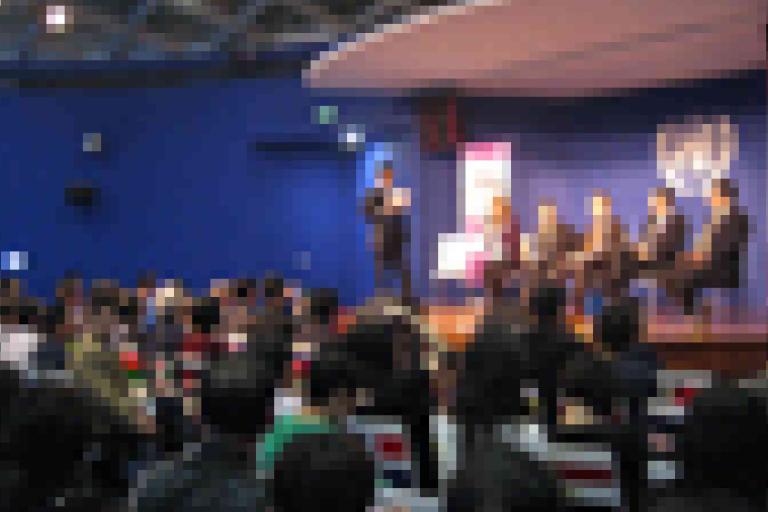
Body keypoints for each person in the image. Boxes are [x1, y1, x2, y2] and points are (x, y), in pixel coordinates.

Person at [363, 162, 413, 301]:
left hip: (398, 240)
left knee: (403, 274)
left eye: (388, 176)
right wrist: (386, 208)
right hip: (382, 241)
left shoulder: (399, 194)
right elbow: (368, 211)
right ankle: (382, 303)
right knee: (381, 277)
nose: (386, 179)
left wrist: (392, 207)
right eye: (383, 176)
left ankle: (407, 304)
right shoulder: (374, 196)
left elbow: (406, 206)